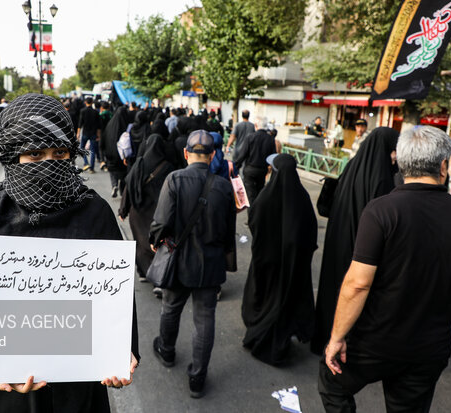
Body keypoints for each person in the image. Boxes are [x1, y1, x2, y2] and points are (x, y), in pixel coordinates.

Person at [0, 94, 139, 413]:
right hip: (9, 397)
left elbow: (116, 296)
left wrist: (121, 350)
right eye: (35, 154)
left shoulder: (94, 213)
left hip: (77, 390)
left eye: (59, 153)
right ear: (13, 158)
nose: (50, 165)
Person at [319, 126, 451, 413]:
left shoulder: (381, 210)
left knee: (332, 383)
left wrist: (336, 337)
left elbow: (357, 283)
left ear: (402, 163)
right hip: (429, 346)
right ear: (443, 166)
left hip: (374, 341)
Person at [150, 130, 236, 398]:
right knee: (204, 320)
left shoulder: (174, 179)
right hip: (209, 264)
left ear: (186, 153)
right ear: (212, 156)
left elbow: (161, 221)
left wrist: (155, 240)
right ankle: (197, 378)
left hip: (178, 260)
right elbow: (228, 231)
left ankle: (166, 350)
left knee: (170, 308)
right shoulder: (224, 186)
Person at [312, 127, 399, 355]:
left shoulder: (352, 166)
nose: (395, 156)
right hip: (361, 247)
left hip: (338, 239)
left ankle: (325, 335)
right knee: (355, 292)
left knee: (333, 287)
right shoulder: (382, 178)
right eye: (394, 150)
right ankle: (346, 341)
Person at [242, 154, 317, 365]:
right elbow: (310, 231)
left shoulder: (266, 197)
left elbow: (254, 222)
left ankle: (262, 326)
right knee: (287, 296)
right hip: (294, 265)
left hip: (267, 262)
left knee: (265, 295)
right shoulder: (301, 197)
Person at [119, 135, 175, 288]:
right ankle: (158, 278)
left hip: (138, 213)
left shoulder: (139, 164)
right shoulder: (168, 167)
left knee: (140, 244)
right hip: (158, 214)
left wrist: (123, 209)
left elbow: (128, 186)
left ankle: (143, 272)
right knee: (158, 244)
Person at [234, 119, 277, 205]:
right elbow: (273, 157)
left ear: (256, 126)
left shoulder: (250, 137)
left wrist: (236, 167)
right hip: (262, 171)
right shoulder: (270, 139)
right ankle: (258, 214)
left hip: (250, 170)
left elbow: (243, 154)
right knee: (259, 193)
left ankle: (252, 216)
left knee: (250, 196)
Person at [100, 106, 129, 198]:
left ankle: (114, 185)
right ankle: (122, 191)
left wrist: (102, 157)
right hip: (122, 157)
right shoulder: (126, 126)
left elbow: (103, 140)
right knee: (123, 174)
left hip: (110, 155)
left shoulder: (109, 125)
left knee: (112, 172)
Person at [77, 97, 102, 173]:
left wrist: (78, 133)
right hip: (93, 133)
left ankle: (86, 163)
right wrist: (99, 135)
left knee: (81, 148)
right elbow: (99, 126)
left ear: (85, 102)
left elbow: (80, 123)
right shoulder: (96, 112)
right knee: (93, 151)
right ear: (92, 102)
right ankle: (92, 168)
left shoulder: (82, 111)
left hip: (85, 133)